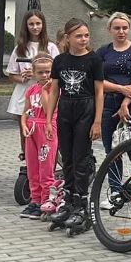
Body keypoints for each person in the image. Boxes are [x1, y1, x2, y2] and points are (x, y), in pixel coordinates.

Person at [44, 18, 104, 231]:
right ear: (67, 38)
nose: (83, 39)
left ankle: (82, 206)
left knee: (81, 158)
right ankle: (68, 203)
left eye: (86, 35)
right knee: (67, 158)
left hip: (85, 109)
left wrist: (97, 121)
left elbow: (99, 92)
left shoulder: (94, 60)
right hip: (65, 109)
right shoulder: (60, 61)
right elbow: (53, 91)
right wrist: (50, 119)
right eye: (78, 36)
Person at [97, 12, 131, 175]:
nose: (121, 31)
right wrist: (120, 88)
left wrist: (125, 103)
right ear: (110, 30)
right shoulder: (102, 52)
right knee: (112, 150)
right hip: (108, 103)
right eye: (117, 28)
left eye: (125, 28)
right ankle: (116, 192)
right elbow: (98, 81)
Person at [4, 10, 59, 162]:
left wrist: (40, 76)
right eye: (31, 24)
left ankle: (48, 159)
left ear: (43, 25)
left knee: (47, 124)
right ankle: (28, 158)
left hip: (46, 92)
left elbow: (57, 72)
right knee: (26, 126)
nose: (35, 27)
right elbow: (11, 74)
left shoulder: (51, 47)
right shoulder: (20, 48)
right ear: (26, 26)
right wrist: (22, 78)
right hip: (25, 92)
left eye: (38, 23)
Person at [19, 54, 58, 219]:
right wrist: (23, 125)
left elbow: (48, 108)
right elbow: (25, 112)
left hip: (47, 128)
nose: (45, 76)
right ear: (34, 73)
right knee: (33, 167)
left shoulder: (54, 90)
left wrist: (44, 90)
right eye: (41, 72)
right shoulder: (30, 90)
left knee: (45, 168)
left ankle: (45, 200)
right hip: (32, 129)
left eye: (48, 72)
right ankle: (34, 200)